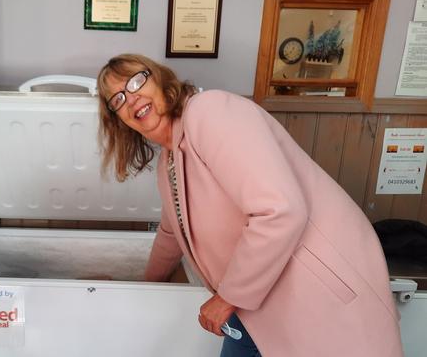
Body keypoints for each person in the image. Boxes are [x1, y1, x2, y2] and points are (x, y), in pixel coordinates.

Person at [96, 53, 403, 356]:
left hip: (313, 296)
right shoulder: (170, 162)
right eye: (118, 99)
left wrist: (227, 298)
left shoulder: (208, 112)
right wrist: (145, 287)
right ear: (119, 120)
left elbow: (280, 210)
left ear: (160, 80)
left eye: (136, 81)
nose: (131, 98)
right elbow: (170, 233)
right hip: (253, 306)